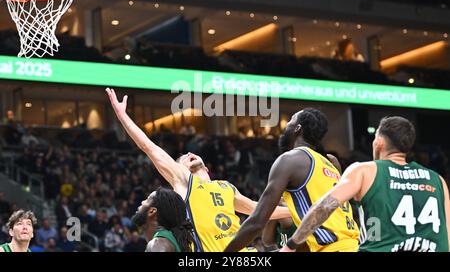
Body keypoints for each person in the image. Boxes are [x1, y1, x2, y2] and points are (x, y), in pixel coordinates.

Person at [106, 88, 291, 252]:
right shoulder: (184, 182)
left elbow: (259, 210)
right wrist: (122, 115)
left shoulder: (225, 187)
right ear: (177, 170)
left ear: (207, 167)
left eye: (189, 154)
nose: (188, 154)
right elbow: (150, 148)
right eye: (182, 159)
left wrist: (295, 211)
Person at [282, 116, 450, 252]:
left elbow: (325, 207)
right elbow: (447, 235)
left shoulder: (364, 171)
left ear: (380, 142)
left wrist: (291, 245)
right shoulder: (438, 180)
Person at [225, 108, 359, 252]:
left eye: (291, 120)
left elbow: (257, 221)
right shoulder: (330, 163)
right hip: (354, 245)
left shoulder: (290, 160)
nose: (286, 126)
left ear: (297, 128)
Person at [131, 188, 193, 252]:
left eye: (147, 199)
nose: (142, 202)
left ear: (152, 211)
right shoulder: (170, 241)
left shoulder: (157, 244)